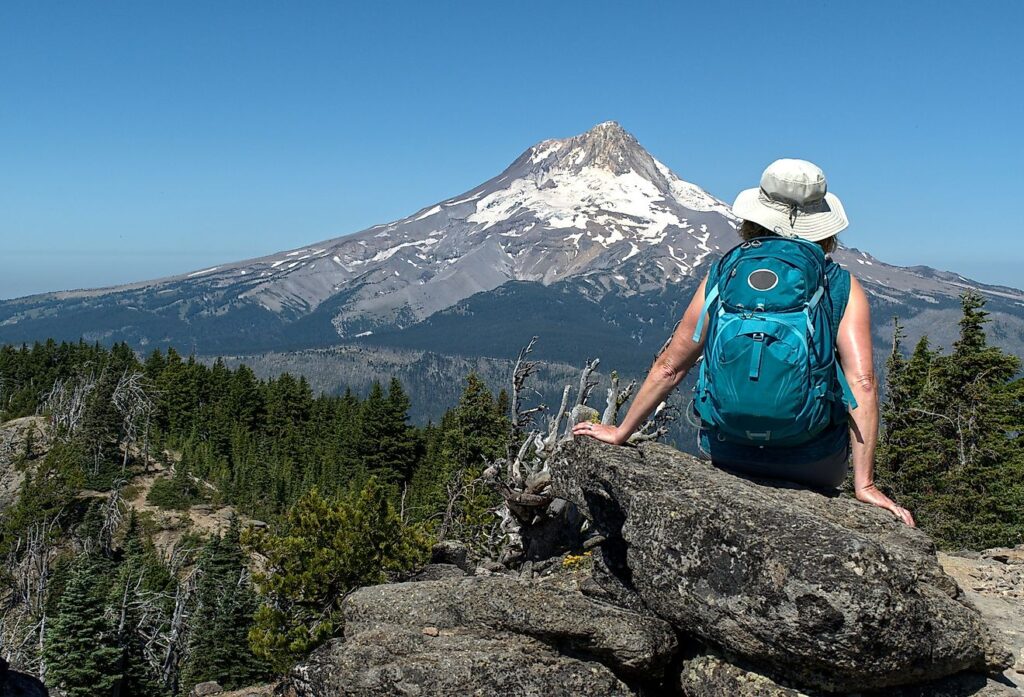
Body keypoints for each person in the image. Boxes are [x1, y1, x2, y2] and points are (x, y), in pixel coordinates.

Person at [572, 158, 915, 527]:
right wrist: (865, 484)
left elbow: (671, 366)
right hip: (813, 463)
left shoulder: (724, 273)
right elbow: (862, 383)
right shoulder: (840, 285)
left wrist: (622, 431)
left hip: (726, 451)